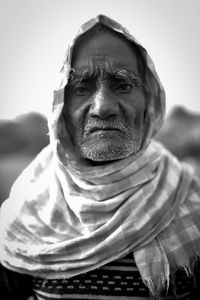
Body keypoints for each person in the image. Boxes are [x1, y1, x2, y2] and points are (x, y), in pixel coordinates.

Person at [0, 14, 200, 300]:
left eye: (123, 85)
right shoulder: (26, 207)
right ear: (61, 107)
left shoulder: (189, 200)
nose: (103, 106)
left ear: (150, 101)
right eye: (81, 88)